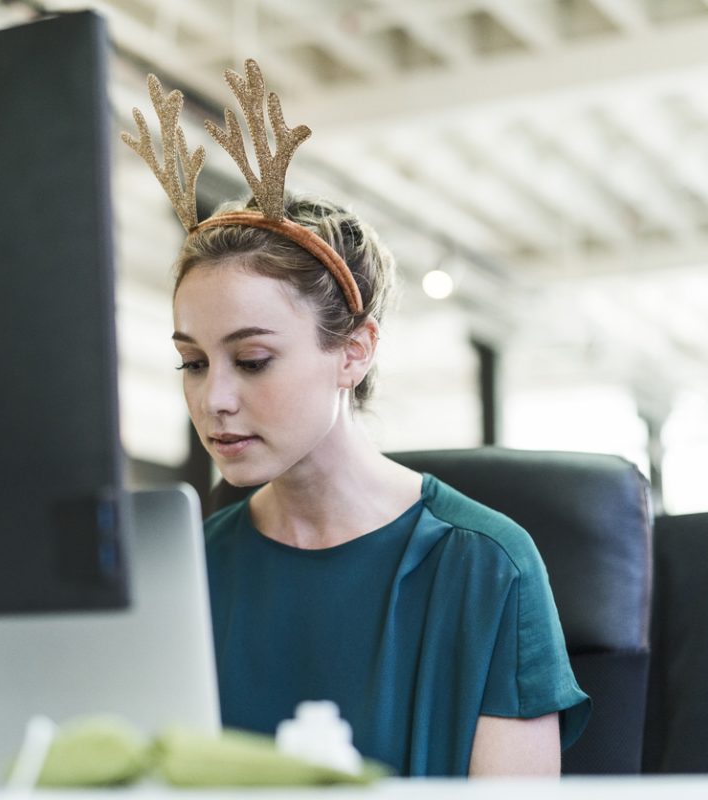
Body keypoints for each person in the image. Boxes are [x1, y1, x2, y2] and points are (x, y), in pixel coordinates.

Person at [124, 60, 589, 777]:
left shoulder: (487, 569)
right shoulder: (188, 576)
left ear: (354, 352)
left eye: (251, 360)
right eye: (193, 362)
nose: (213, 398)